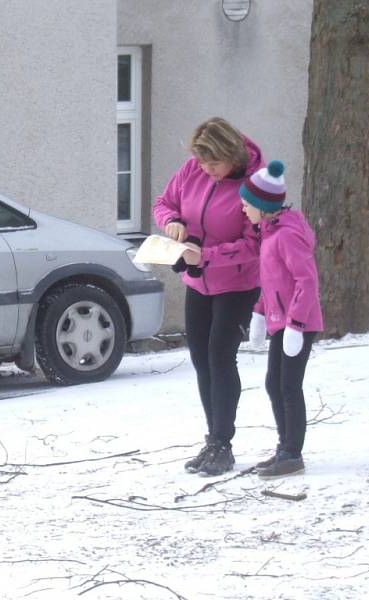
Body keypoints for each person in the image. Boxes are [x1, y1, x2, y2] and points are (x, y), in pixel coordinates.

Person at [153, 117, 263, 476]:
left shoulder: (254, 184)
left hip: (238, 284)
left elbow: (254, 244)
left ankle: (223, 442)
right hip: (198, 281)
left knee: (220, 356)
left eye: (213, 164)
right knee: (201, 359)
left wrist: (209, 256)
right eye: (202, 163)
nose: (206, 170)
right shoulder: (192, 170)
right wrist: (171, 221)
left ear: (232, 156)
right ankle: (212, 439)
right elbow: (163, 202)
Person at [241, 160, 324, 479]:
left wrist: (297, 325)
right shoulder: (270, 231)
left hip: (297, 325)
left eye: (247, 204)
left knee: (288, 386)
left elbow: (307, 281)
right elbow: (273, 280)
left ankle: (292, 453)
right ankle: (284, 447)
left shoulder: (287, 235)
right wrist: (260, 312)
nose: (244, 209)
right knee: (274, 384)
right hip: (281, 321)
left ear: (263, 206)